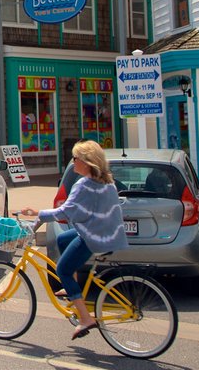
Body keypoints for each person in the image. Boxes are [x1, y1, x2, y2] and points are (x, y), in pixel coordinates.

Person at [22, 140, 128, 340]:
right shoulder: (106, 181)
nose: (72, 162)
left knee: (62, 269)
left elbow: (66, 212)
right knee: (63, 239)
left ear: (86, 162)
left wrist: (37, 213)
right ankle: (71, 288)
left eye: (75, 158)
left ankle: (86, 318)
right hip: (105, 231)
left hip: (94, 236)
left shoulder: (84, 184)